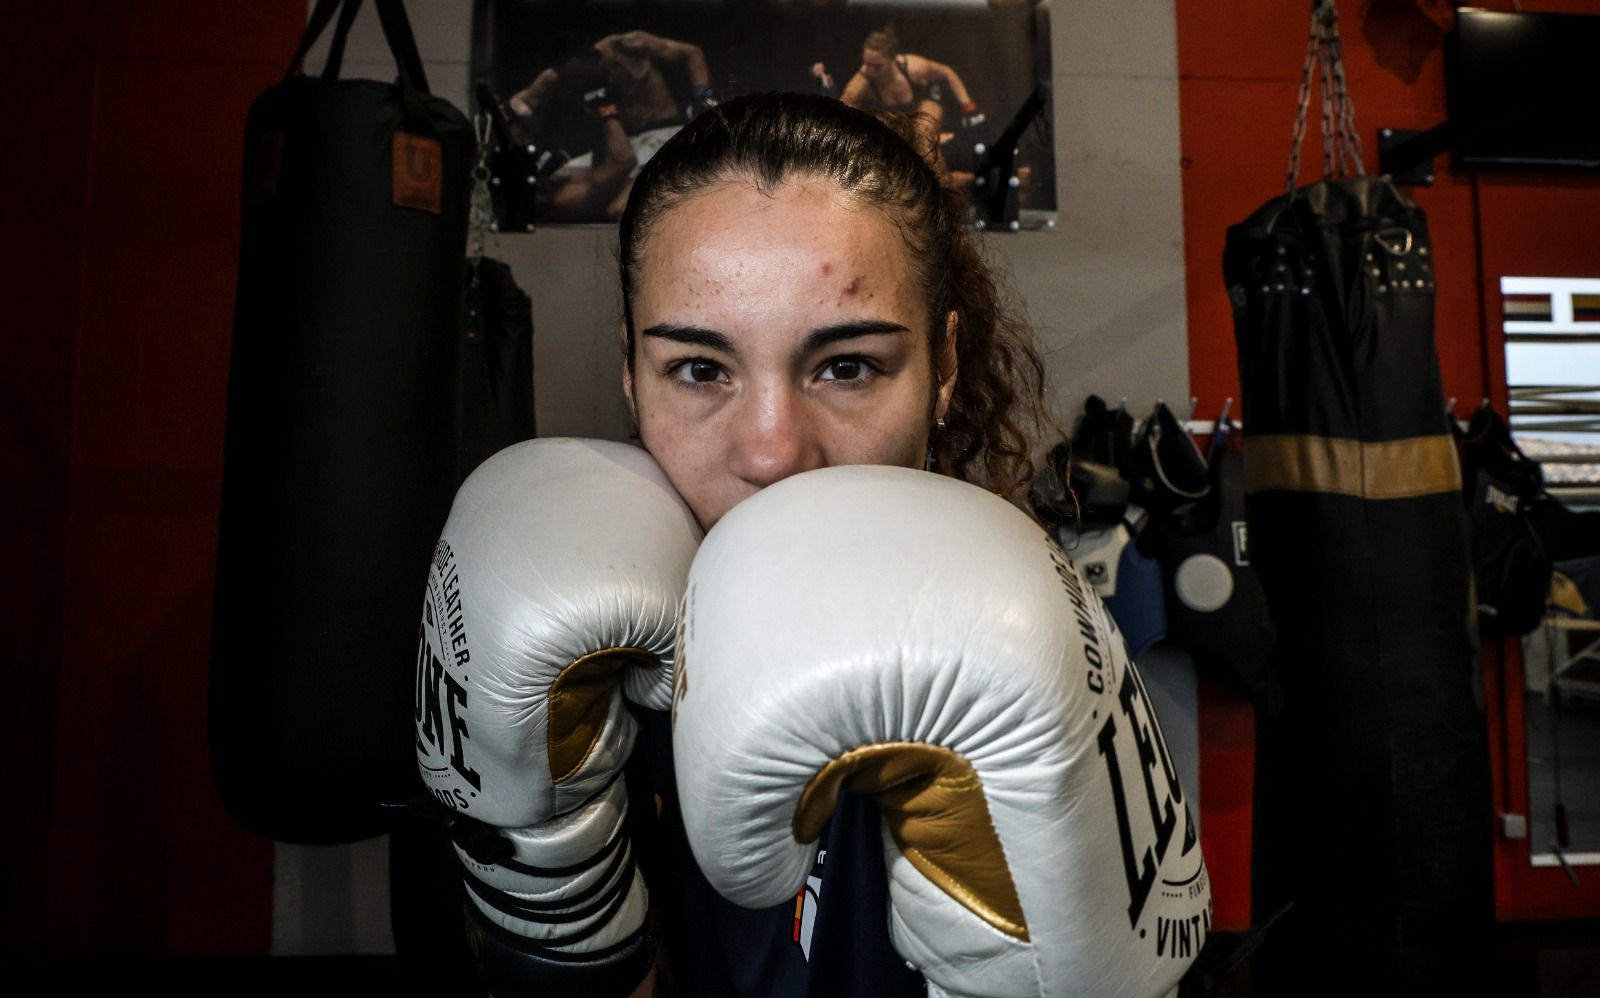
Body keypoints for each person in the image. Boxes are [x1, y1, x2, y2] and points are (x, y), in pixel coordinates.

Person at [415, 94, 1207, 997]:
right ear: (632, 374)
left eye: (847, 366)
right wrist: (560, 915)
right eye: (700, 369)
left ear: (944, 368)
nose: (772, 453)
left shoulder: (1025, 670)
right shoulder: (573, 672)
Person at [505, 31, 719, 221]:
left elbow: (692, 53)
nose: (579, 82)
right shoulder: (558, 77)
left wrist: (703, 96)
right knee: (550, 182)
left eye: (581, 75)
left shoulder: (627, 46)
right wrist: (521, 124)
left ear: (591, 56)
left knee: (620, 207)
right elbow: (520, 103)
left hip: (659, 135)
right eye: (572, 79)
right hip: (617, 147)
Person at [831, 27, 987, 186]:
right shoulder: (863, 79)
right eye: (866, 63)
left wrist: (967, 103)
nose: (870, 70)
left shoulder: (913, 67)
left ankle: (949, 180)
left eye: (877, 66)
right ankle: (950, 180)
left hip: (925, 107)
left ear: (892, 60)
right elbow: (846, 102)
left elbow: (947, 72)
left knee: (921, 131)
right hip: (897, 125)